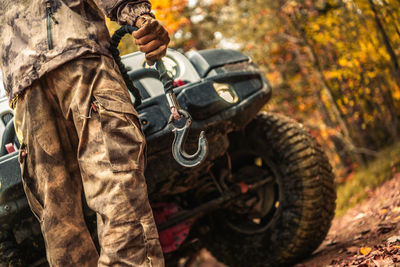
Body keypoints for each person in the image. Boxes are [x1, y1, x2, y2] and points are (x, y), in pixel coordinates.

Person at [0, 0, 170, 266]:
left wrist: (138, 16)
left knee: (113, 200)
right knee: (66, 225)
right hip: (35, 87)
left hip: (78, 66)